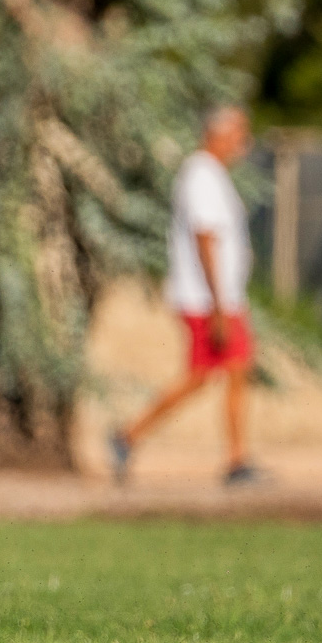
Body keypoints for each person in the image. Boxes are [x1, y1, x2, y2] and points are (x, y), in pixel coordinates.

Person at [110, 106, 258, 486]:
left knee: (229, 371)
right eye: (240, 133)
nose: (245, 142)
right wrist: (220, 306)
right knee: (201, 375)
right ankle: (128, 435)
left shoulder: (213, 175)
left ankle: (236, 457)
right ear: (218, 134)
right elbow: (205, 239)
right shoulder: (201, 175)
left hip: (220, 299)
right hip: (208, 300)